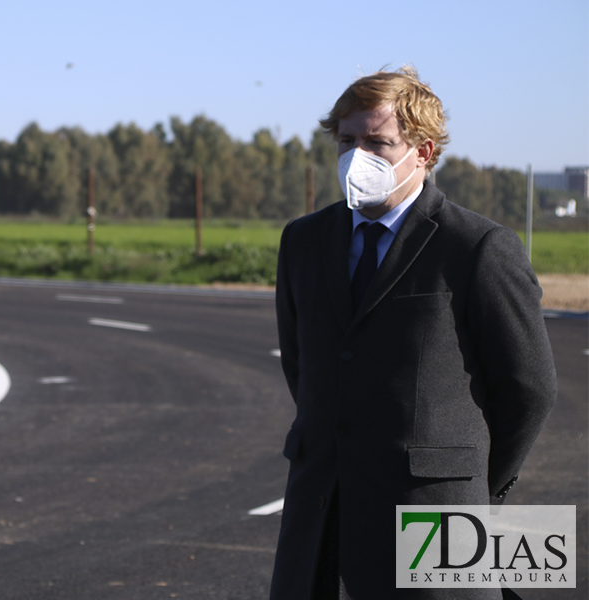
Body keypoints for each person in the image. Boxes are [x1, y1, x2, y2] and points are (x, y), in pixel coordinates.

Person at [270, 67, 556, 599]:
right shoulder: (303, 242)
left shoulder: (477, 248)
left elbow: (529, 388)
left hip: (435, 521)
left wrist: (470, 488)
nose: (358, 156)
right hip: (319, 513)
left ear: (422, 152)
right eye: (348, 140)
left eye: (378, 142)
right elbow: (302, 366)